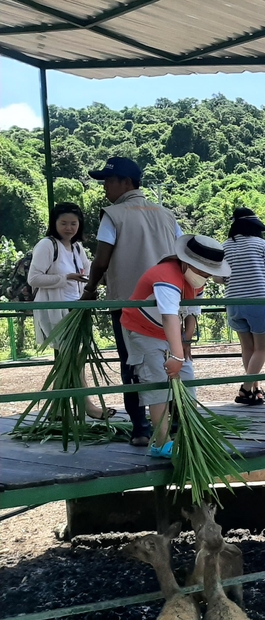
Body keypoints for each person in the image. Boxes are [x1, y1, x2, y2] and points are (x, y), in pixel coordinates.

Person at [81, 157, 183, 446]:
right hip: (168, 302)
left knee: (134, 363)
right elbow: (181, 253)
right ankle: (175, 422)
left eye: (108, 181)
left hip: (131, 304)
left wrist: (89, 291)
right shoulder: (166, 214)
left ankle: (141, 428)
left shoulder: (113, 215)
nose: (105, 188)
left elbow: (101, 261)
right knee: (171, 360)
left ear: (127, 183)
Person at [119, 235, 229, 458]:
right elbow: (169, 315)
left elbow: (191, 312)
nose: (208, 276)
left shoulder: (196, 280)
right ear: (189, 264)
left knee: (187, 379)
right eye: (205, 271)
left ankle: (192, 435)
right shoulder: (166, 276)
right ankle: (161, 442)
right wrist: (177, 355)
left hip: (171, 333)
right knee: (157, 384)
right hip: (144, 331)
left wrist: (185, 342)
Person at [28, 202, 114, 420]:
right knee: (74, 358)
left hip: (76, 309)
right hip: (57, 309)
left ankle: (57, 409)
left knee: (69, 359)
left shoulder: (77, 247)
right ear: (54, 223)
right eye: (64, 223)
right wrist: (64, 278)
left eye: (73, 223)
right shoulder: (47, 245)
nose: (69, 228)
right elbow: (34, 278)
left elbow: (88, 274)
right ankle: (88, 406)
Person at [221, 208, 265, 405]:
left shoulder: (224, 247)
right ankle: (246, 388)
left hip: (233, 303)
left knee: (248, 348)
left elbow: (219, 278)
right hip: (258, 301)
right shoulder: (261, 244)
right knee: (262, 349)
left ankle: (256, 389)